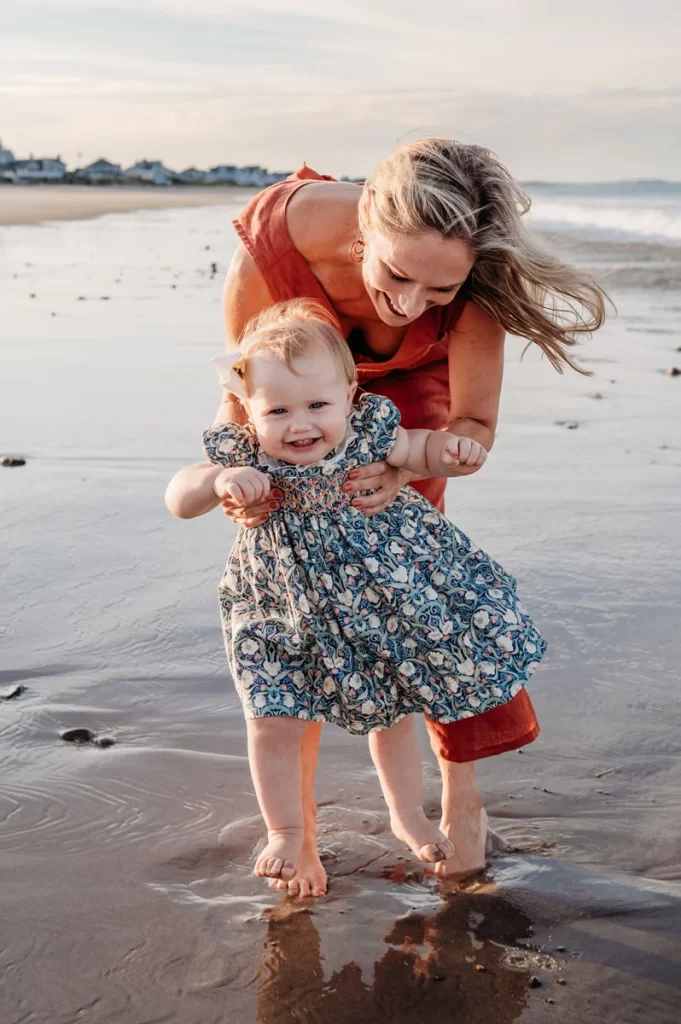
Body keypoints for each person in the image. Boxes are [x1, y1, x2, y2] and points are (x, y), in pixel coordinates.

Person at [166, 137, 605, 896]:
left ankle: (452, 795)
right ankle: (293, 833)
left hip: (401, 428)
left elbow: (471, 429)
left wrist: (404, 462)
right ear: (365, 229)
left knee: (416, 605)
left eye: (436, 293)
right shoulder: (275, 248)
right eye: (396, 276)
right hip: (297, 408)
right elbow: (243, 402)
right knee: (294, 639)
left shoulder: (472, 291)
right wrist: (231, 485)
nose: (407, 304)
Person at [165, 300, 546, 885]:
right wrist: (217, 481)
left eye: (318, 405)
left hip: (376, 607)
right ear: (249, 409)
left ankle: (405, 814)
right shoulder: (245, 452)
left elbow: (420, 450)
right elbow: (180, 494)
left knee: (392, 711)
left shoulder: (367, 437)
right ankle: (287, 830)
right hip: (280, 611)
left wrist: (451, 451)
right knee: (269, 716)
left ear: (350, 396)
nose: (300, 425)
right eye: (279, 410)